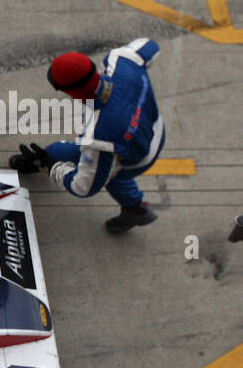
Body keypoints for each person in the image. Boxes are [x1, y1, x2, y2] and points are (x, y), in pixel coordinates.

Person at [11, 39, 165, 233]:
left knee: (110, 174)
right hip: (155, 129)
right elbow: (149, 45)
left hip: (140, 156)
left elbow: (84, 187)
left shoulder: (99, 138)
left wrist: (54, 168)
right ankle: (136, 209)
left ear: (67, 91)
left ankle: (135, 208)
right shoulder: (122, 60)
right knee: (76, 155)